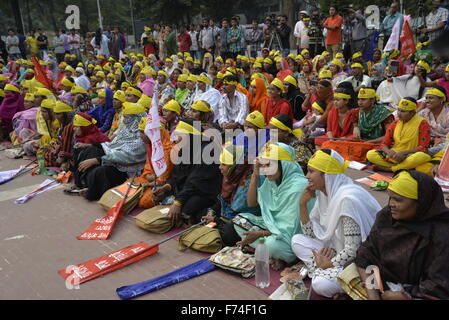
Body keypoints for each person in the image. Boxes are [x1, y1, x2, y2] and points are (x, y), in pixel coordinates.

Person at [291, 149, 381, 298]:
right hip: (335, 250)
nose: (307, 176)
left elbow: (353, 250)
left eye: (311, 172)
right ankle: (323, 272)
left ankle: (321, 272)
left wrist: (328, 264)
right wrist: (302, 206)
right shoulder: (324, 193)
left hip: (359, 262)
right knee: (297, 241)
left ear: (326, 175)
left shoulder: (347, 199)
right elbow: (311, 235)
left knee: (320, 284)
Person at [354, 170, 449, 300]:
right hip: (382, 282)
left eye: (398, 200)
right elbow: (365, 255)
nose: (391, 204)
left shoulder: (441, 233)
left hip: (416, 291)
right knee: (348, 272)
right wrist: (373, 295)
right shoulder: (386, 217)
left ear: (421, 202)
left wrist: (401, 295)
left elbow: (438, 286)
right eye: (390, 197)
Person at [220, 142, 312, 271]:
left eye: (268, 165)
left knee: (272, 246)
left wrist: (260, 234)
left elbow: (290, 229)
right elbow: (252, 203)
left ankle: (275, 254)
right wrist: (255, 175)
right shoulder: (273, 181)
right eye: (262, 165)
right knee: (238, 221)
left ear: (283, 164)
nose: (264, 169)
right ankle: (267, 252)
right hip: (272, 228)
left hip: (289, 237)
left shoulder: (298, 187)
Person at [152, 118, 222, 225]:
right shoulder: (186, 147)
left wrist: (178, 202)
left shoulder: (209, 151)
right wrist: (167, 186)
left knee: (184, 210)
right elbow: (178, 175)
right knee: (160, 195)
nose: (175, 140)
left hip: (203, 191)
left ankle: (200, 214)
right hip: (188, 187)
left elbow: (196, 182)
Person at [71, 103, 147, 200]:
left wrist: (98, 160)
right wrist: (91, 145)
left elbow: (124, 156)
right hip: (114, 159)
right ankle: (83, 183)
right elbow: (112, 145)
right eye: (124, 117)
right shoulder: (126, 130)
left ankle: (93, 191)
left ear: (136, 118)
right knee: (89, 150)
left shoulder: (141, 137)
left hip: (128, 170)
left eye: (127, 117)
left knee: (100, 171)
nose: (125, 120)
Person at [367, 97, 432, 173]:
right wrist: (389, 152)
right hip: (394, 155)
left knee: (422, 157)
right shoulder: (395, 122)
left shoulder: (422, 123)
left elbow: (423, 148)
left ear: (413, 112)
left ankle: (391, 169)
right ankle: (402, 168)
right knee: (370, 154)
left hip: (410, 155)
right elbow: (384, 144)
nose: (399, 113)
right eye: (399, 110)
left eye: (403, 111)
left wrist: (404, 153)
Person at [204, 143, 261, 222]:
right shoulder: (231, 176)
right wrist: (212, 211)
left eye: (224, 164)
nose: (220, 167)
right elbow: (223, 199)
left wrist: (216, 220)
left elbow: (241, 216)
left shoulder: (248, 182)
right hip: (227, 219)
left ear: (236, 165)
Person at [133, 117, 175, 209]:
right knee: (129, 186)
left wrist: (148, 182)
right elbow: (148, 169)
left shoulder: (168, 150)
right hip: (150, 179)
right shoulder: (150, 145)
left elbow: (163, 177)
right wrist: (148, 175)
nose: (140, 135)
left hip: (164, 184)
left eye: (143, 132)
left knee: (144, 201)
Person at [43, 101, 75, 169]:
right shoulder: (63, 122)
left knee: (49, 156)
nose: (56, 117)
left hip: (72, 152)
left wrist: (61, 155)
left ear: (66, 114)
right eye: (55, 114)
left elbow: (70, 144)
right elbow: (59, 138)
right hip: (63, 148)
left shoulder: (71, 125)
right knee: (44, 152)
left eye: (58, 114)